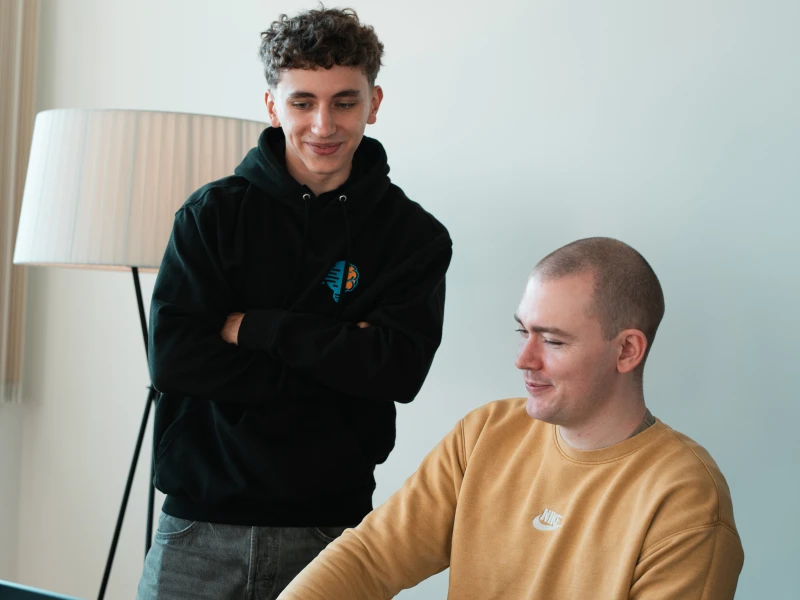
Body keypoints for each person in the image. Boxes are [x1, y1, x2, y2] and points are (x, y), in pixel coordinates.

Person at [137, 7, 452, 599]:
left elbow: (397, 370)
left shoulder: (413, 237)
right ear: (272, 105)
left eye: (345, 102)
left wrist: (257, 327)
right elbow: (176, 360)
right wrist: (339, 360)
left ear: (375, 102)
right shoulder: (212, 217)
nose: (323, 124)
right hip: (198, 530)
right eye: (303, 102)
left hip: (331, 535)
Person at [278, 237, 744, 600]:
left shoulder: (685, 497)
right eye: (523, 331)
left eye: (553, 341)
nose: (524, 359)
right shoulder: (485, 433)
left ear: (626, 351)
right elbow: (371, 558)